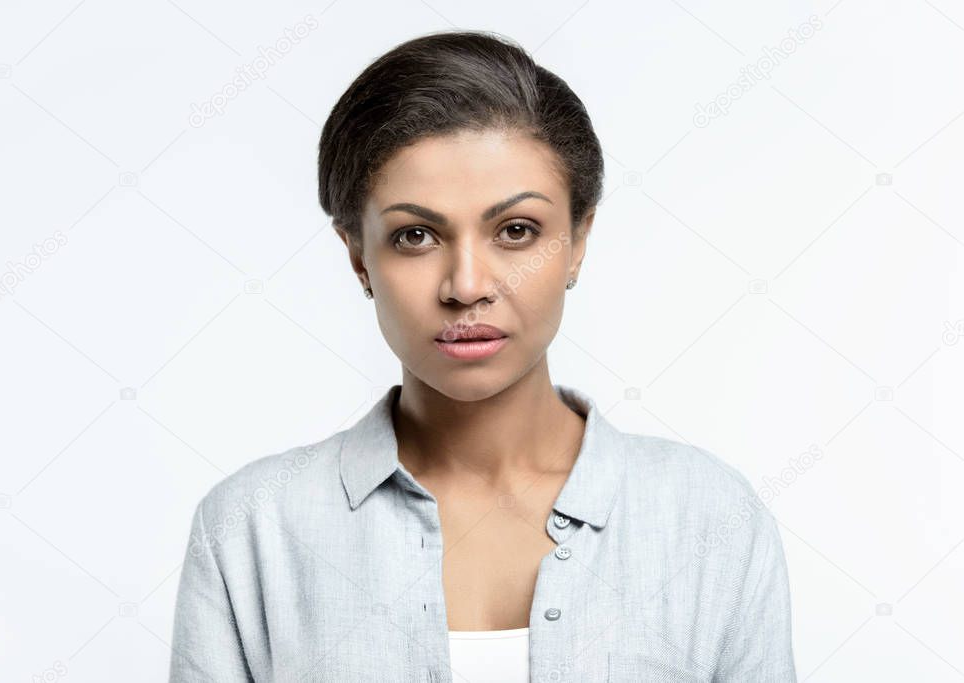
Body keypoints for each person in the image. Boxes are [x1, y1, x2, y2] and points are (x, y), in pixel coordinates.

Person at [168, 29, 796, 682]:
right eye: (415, 235)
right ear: (358, 256)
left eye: (516, 231)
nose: (466, 284)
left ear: (578, 239)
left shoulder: (708, 519)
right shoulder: (253, 527)